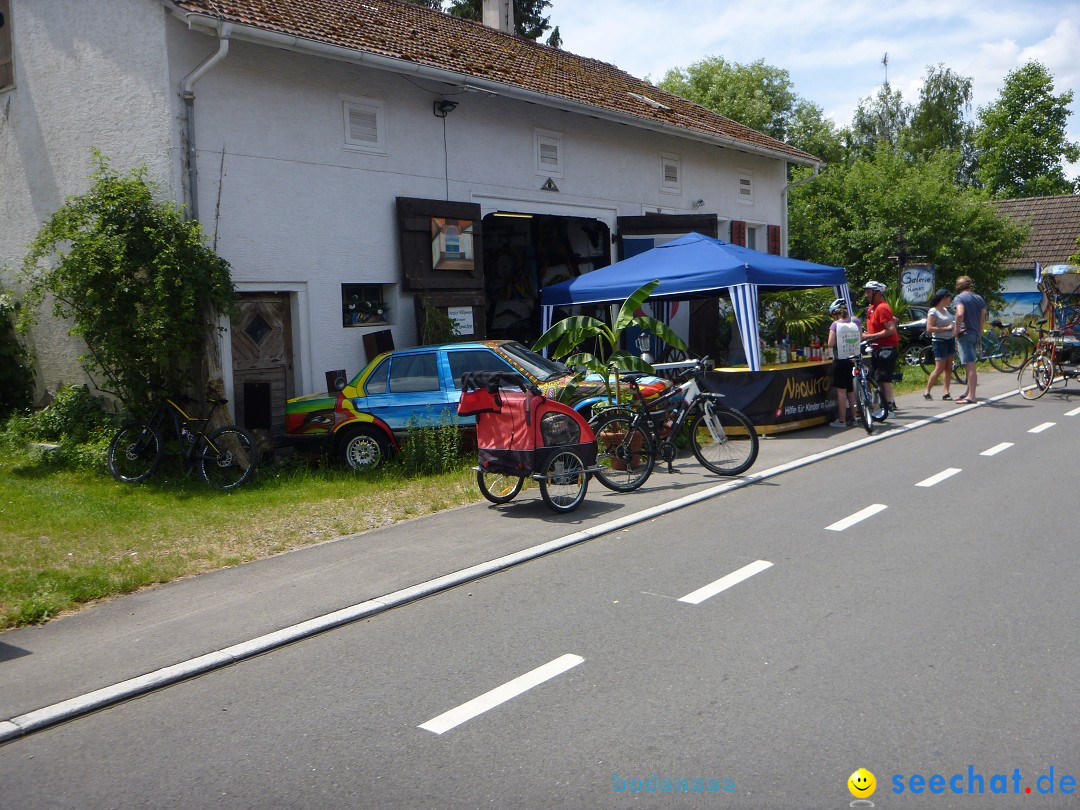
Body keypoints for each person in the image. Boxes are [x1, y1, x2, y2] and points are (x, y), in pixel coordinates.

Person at [861, 280, 899, 414]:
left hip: (886, 347)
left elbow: (891, 330)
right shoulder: (871, 309)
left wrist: (869, 336)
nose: (866, 294)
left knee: (883, 377)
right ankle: (885, 403)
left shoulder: (882, 308)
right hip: (876, 348)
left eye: (869, 292)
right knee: (876, 377)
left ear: (877, 293)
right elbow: (873, 330)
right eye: (866, 291)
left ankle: (889, 405)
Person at [827, 298, 862, 427]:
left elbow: (830, 343)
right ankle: (855, 417)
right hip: (854, 358)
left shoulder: (835, 325)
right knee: (852, 390)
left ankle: (842, 420)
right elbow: (861, 337)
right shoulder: (856, 321)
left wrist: (839, 339)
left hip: (840, 360)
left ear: (836, 313)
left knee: (841, 391)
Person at [953, 275, 986, 404]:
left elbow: (960, 313)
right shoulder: (979, 298)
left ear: (958, 286)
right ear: (970, 285)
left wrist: (956, 330)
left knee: (970, 365)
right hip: (975, 333)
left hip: (965, 333)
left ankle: (972, 396)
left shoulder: (959, 298)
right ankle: (967, 392)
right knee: (970, 364)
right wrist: (979, 335)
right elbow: (982, 318)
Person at [923, 289, 955, 400]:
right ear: (944, 298)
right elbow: (929, 328)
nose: (950, 300)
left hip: (950, 340)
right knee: (939, 368)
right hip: (939, 341)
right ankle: (927, 390)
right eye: (949, 297)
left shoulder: (946, 310)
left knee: (948, 367)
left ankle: (946, 392)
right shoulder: (933, 311)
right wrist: (946, 328)